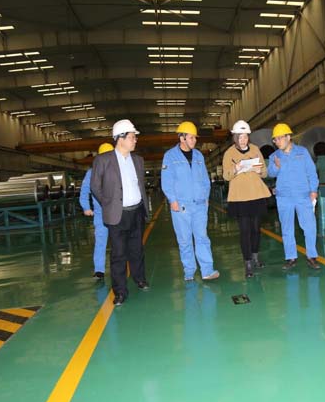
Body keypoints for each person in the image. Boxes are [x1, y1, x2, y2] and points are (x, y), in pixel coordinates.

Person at [91, 119, 150, 306]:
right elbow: (95, 186)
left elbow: (140, 185)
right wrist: (108, 203)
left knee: (137, 250)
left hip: (136, 211)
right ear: (120, 138)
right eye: (132, 137)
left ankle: (140, 278)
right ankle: (120, 291)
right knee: (118, 254)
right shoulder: (103, 160)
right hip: (117, 214)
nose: (135, 140)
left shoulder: (138, 160)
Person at [161, 121, 220, 282]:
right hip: (181, 206)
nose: (194, 140)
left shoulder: (199, 156)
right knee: (185, 241)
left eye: (195, 137)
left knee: (202, 238)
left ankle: (207, 270)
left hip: (199, 205)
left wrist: (206, 196)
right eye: (191, 137)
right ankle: (189, 271)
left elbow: (205, 179)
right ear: (182, 138)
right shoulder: (170, 156)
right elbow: (166, 181)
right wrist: (172, 200)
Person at [267, 123, 321, 270]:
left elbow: (311, 172)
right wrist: (276, 167)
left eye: (279, 138)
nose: (277, 142)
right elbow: (270, 173)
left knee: (309, 227)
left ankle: (311, 256)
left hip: (303, 196)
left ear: (288, 137)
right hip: (284, 198)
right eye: (275, 139)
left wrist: (313, 190)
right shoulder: (274, 156)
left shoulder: (302, 152)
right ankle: (291, 257)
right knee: (287, 229)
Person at [222, 120, 271, 278]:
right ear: (235, 137)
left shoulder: (255, 150)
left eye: (245, 137)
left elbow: (265, 172)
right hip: (240, 198)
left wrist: (259, 170)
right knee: (245, 231)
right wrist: (236, 168)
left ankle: (255, 257)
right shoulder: (229, 153)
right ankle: (248, 262)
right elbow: (226, 175)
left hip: (256, 195)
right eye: (240, 137)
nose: (243, 140)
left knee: (256, 229)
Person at [79, 142, 114, 280]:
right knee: (100, 241)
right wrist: (86, 207)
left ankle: (120, 267)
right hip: (100, 214)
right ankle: (99, 270)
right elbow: (84, 191)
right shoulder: (91, 173)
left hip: (117, 212)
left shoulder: (118, 171)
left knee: (119, 242)